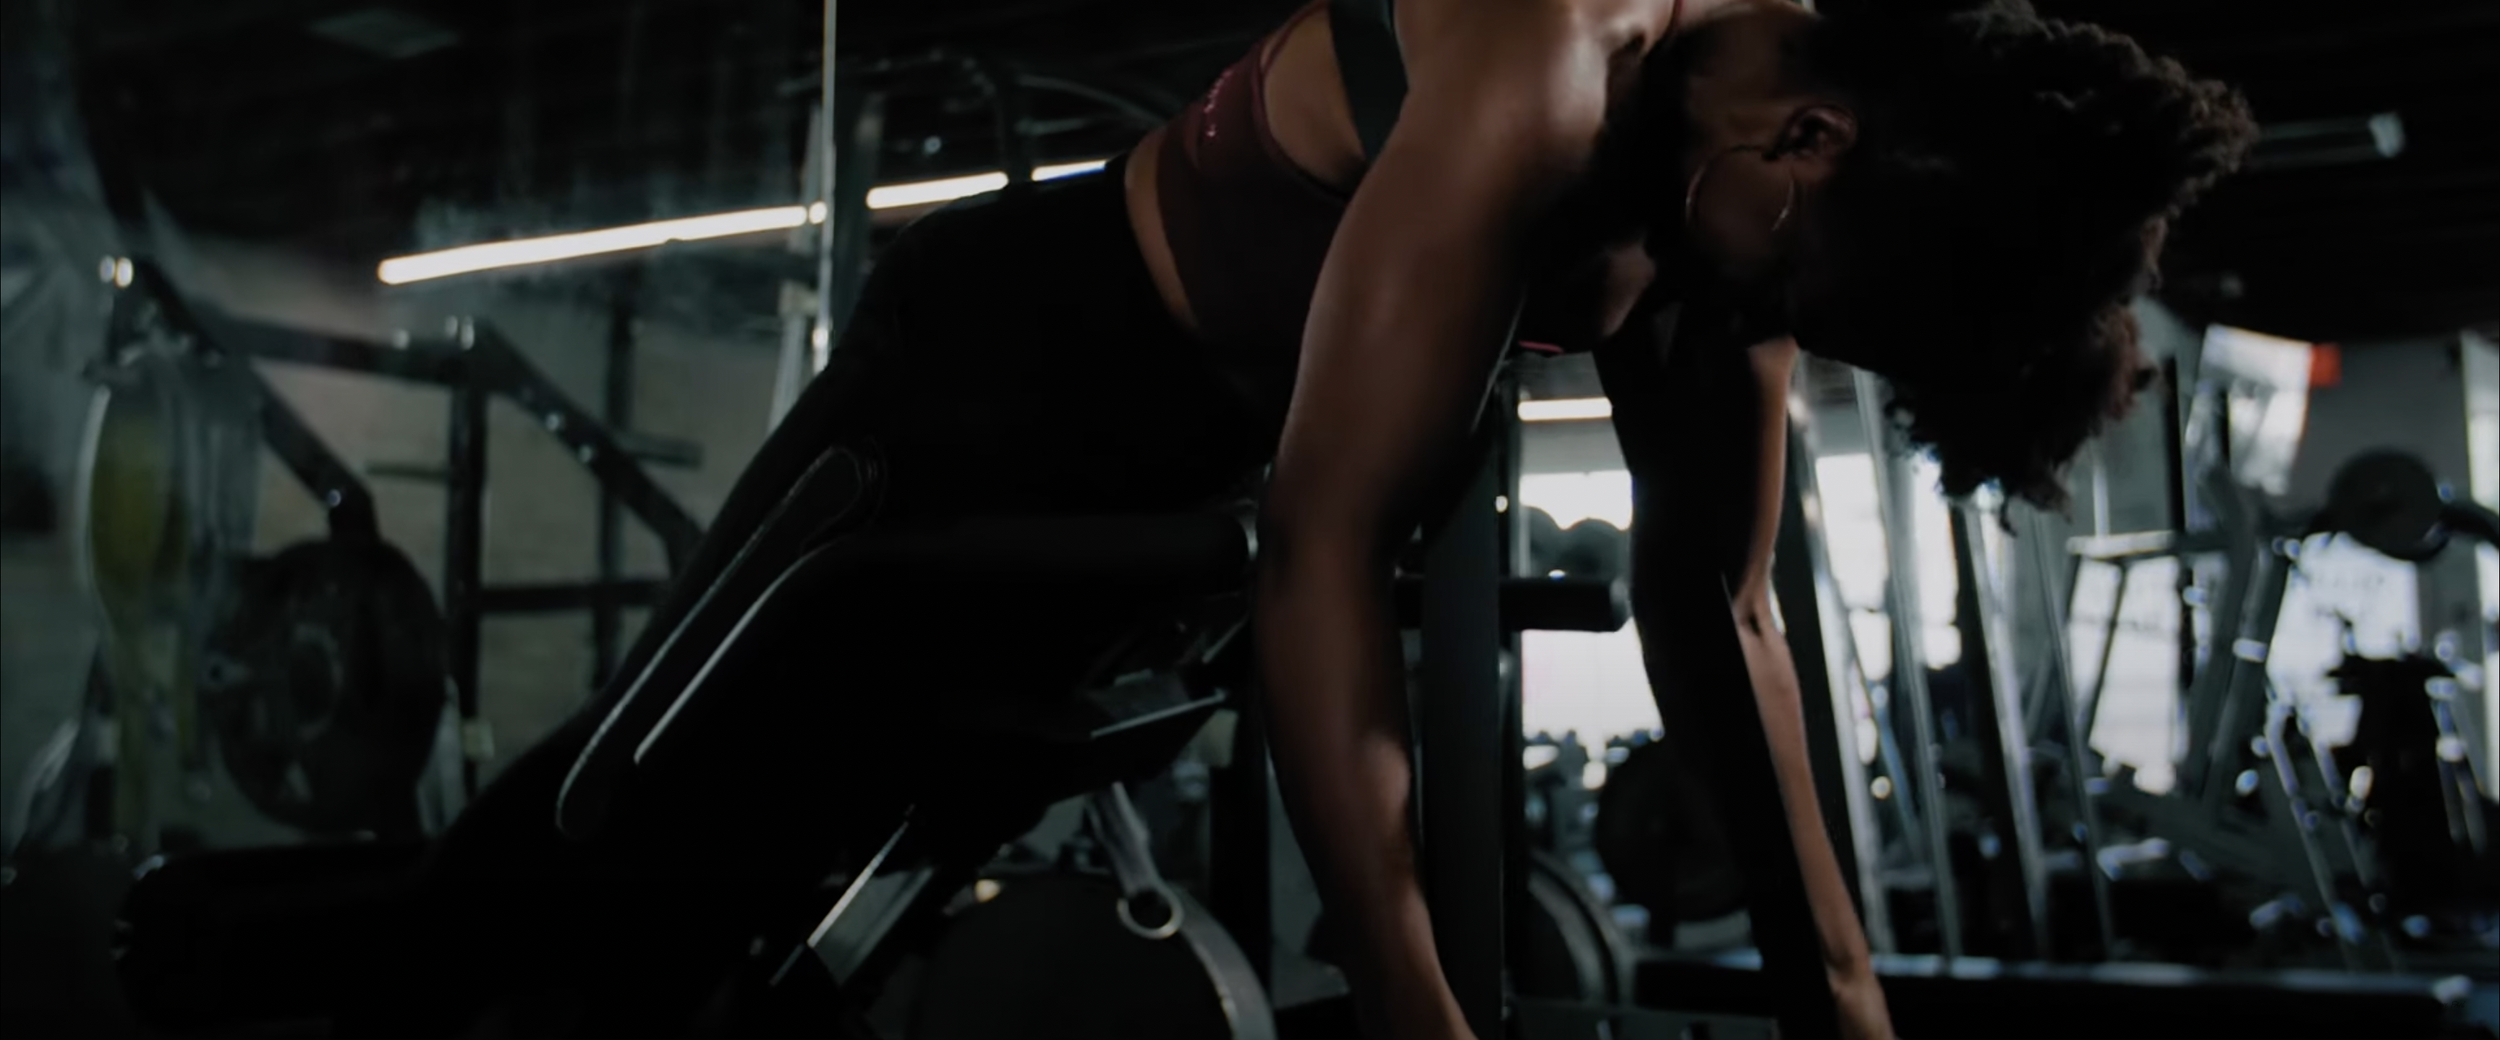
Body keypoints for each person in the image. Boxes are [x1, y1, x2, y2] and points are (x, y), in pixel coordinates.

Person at [279, 0, 2255, 1038]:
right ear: (1804, 141)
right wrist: (1409, 1011)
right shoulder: (1552, 61)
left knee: (826, 870)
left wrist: (1841, 996)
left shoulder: (1761, 192)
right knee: (640, 804)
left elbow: (1718, 613)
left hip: (1164, 483)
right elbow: (1325, 541)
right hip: (991, 376)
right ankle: (262, 967)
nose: (1755, 341)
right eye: (1784, 300)